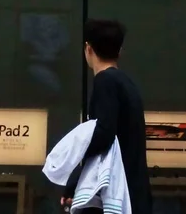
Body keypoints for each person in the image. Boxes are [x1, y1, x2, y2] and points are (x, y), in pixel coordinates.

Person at [62, 20, 151, 214]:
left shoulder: (105, 81)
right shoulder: (126, 84)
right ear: (119, 51)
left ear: (88, 48)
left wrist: (73, 171)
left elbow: (104, 133)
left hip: (118, 196)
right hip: (134, 190)